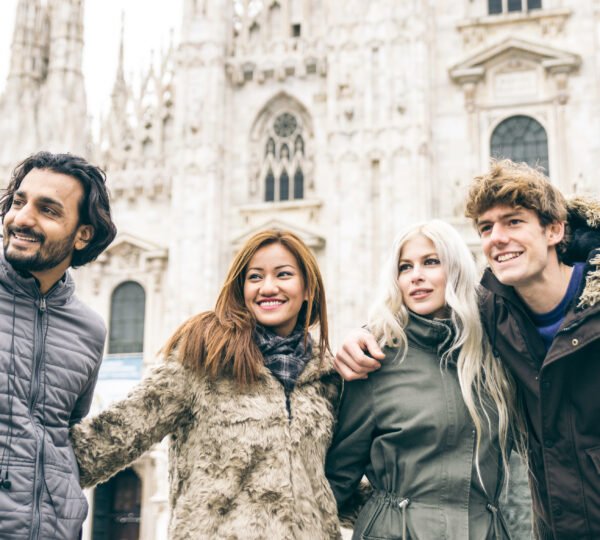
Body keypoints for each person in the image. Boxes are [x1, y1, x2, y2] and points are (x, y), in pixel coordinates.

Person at [335, 160, 600, 539]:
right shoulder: (498, 318)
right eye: (486, 228)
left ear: (555, 230)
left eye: (513, 221)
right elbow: (428, 328)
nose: (497, 238)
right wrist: (365, 335)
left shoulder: (498, 327)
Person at [69, 230, 342, 540]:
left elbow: (332, 482)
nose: (268, 287)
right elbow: (119, 432)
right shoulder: (206, 356)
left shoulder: (325, 379)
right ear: (241, 289)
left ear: (308, 289)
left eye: (283, 275)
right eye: (255, 277)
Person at [325, 220, 525, 540]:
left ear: (457, 269)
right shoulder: (375, 359)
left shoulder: (496, 355)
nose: (416, 275)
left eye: (431, 262)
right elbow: (335, 481)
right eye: (405, 267)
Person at [0, 151, 117, 539]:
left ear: (83, 234)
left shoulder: (89, 330)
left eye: (47, 210)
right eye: (18, 202)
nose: (22, 218)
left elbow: (64, 433)